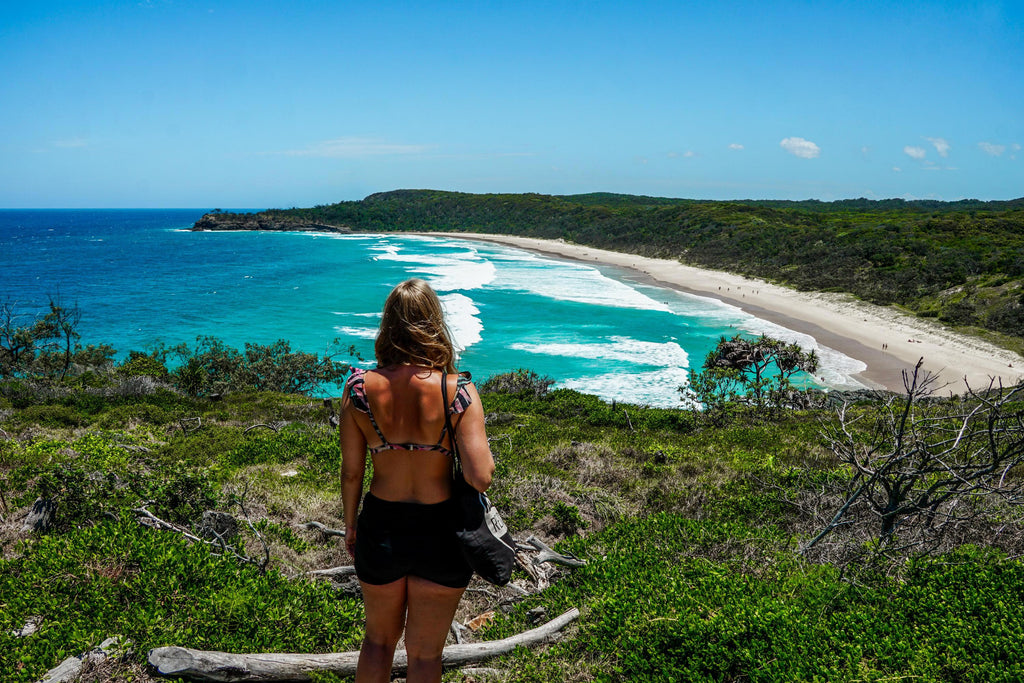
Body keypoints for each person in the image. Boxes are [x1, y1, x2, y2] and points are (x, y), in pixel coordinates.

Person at [340, 278, 495, 683]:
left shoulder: (358, 389)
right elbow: (481, 476)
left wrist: (351, 525)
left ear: (388, 325)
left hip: (381, 526)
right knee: (426, 656)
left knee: (377, 643)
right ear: (434, 323)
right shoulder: (459, 391)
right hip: (442, 531)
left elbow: (352, 471)